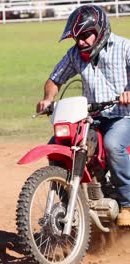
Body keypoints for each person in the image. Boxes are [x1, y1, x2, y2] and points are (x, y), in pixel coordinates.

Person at [36, 5, 130, 225]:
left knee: (113, 144)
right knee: (58, 146)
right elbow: (54, 80)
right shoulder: (75, 54)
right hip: (92, 117)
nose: (81, 42)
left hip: (123, 116)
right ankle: (74, 204)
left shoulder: (125, 48)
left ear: (101, 30)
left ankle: (128, 203)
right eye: (77, 37)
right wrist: (48, 99)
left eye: (86, 35)